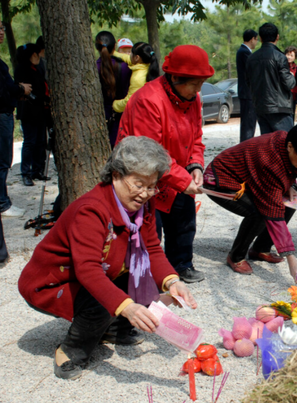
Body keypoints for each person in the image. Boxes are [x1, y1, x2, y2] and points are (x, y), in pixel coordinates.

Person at [18, 136, 198, 380]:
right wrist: (126, 307)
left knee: (135, 278)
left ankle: (113, 328)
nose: (145, 193)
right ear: (115, 175)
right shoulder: (92, 210)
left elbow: (152, 248)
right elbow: (88, 270)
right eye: (138, 184)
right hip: (51, 282)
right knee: (106, 301)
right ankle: (71, 351)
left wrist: (172, 281)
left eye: (151, 186)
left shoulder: (141, 205)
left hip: (98, 271)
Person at [117, 44, 214, 284]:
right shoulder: (148, 100)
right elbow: (149, 153)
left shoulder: (194, 99)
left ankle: (181, 264)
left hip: (175, 171)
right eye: (194, 84)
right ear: (175, 78)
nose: (198, 90)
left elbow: (196, 137)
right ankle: (149, 275)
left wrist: (196, 166)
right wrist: (182, 180)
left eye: (201, 84)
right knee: (149, 228)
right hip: (142, 172)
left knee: (184, 221)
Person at [203, 123, 297, 281]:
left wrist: (291, 186)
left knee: (288, 203)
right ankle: (236, 256)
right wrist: (290, 258)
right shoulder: (269, 161)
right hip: (221, 180)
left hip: (249, 180)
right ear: (290, 146)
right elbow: (272, 211)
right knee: (260, 212)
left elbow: (288, 172)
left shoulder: (286, 142)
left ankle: (260, 249)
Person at [0, 21, 31, 218]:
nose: (2, 32)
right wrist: (20, 89)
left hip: (5, 111)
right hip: (1, 115)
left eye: (3, 28)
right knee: (3, 161)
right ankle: (2, 203)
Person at [246, 23, 296, 135]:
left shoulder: (251, 58)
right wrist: (292, 77)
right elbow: (288, 83)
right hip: (280, 108)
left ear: (260, 38)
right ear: (277, 37)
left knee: (267, 146)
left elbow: (249, 82)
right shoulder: (280, 57)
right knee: (285, 144)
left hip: (261, 107)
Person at [15, 43, 50, 187]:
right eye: (35, 54)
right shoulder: (21, 70)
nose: (38, 57)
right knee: (30, 142)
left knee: (41, 141)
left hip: (41, 111)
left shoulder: (38, 68)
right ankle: (26, 173)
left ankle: (37, 170)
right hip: (28, 111)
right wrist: (38, 99)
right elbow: (24, 91)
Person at [95, 31, 131, 148]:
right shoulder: (126, 68)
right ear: (115, 46)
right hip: (122, 121)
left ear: (97, 47)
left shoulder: (92, 69)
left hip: (100, 121)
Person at [112, 42, 160, 114]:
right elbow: (127, 58)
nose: (129, 55)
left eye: (131, 53)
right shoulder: (147, 65)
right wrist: (112, 53)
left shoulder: (138, 78)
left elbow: (129, 102)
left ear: (137, 57)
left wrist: (114, 105)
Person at [237, 29, 258, 142]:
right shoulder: (244, 52)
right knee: (248, 125)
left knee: (249, 124)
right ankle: (246, 148)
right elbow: (252, 71)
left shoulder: (244, 51)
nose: (256, 42)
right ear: (252, 39)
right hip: (247, 93)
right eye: (256, 39)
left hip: (247, 93)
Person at [284, 45, 297, 117]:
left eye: (291, 55)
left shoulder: (296, 68)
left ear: (295, 57)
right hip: (283, 95)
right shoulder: (282, 66)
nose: (289, 57)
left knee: (292, 115)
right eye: (288, 55)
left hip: (293, 94)